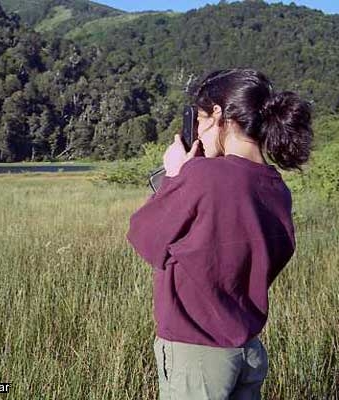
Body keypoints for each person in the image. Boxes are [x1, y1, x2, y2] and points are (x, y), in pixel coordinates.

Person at [126, 69, 312, 399]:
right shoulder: (277, 187)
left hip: (197, 354)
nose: (197, 132)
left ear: (217, 115)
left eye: (199, 119)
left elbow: (143, 237)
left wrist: (174, 175)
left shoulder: (202, 176)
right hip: (248, 351)